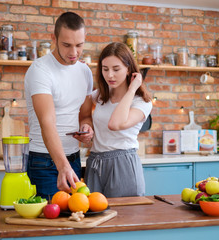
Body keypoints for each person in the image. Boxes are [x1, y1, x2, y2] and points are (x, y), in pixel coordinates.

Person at [24, 12, 94, 199]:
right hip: (44, 162)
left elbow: (85, 114)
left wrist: (87, 128)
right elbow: (47, 122)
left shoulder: (85, 71)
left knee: (75, 219)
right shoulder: (40, 70)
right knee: (49, 225)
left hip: (74, 158)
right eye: (66, 45)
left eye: (79, 45)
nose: (73, 53)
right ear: (54, 38)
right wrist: (62, 166)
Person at [84, 42, 152, 198]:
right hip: (95, 163)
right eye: (105, 69)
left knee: (125, 217)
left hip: (123, 164)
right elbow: (83, 110)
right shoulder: (101, 94)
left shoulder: (142, 102)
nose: (110, 75)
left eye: (116, 69)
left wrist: (132, 89)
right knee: (94, 217)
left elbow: (115, 124)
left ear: (128, 69)